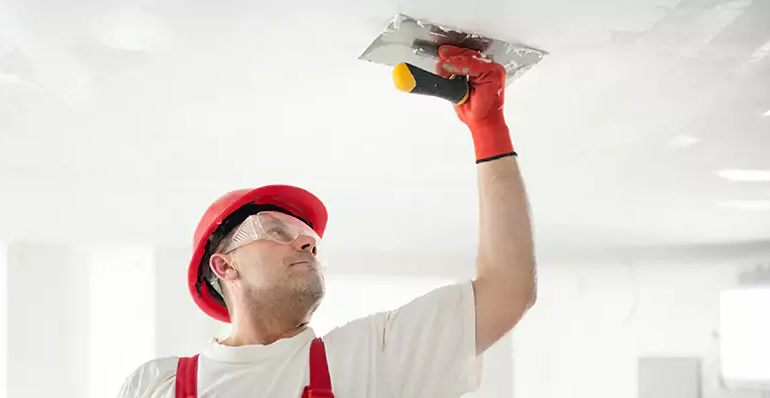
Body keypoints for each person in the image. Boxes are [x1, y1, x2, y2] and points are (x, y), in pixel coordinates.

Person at [117, 45, 536, 398]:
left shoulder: (368, 358)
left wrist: (488, 129)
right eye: (276, 232)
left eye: (310, 239)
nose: (307, 245)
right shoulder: (159, 386)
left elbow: (507, 290)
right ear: (224, 265)